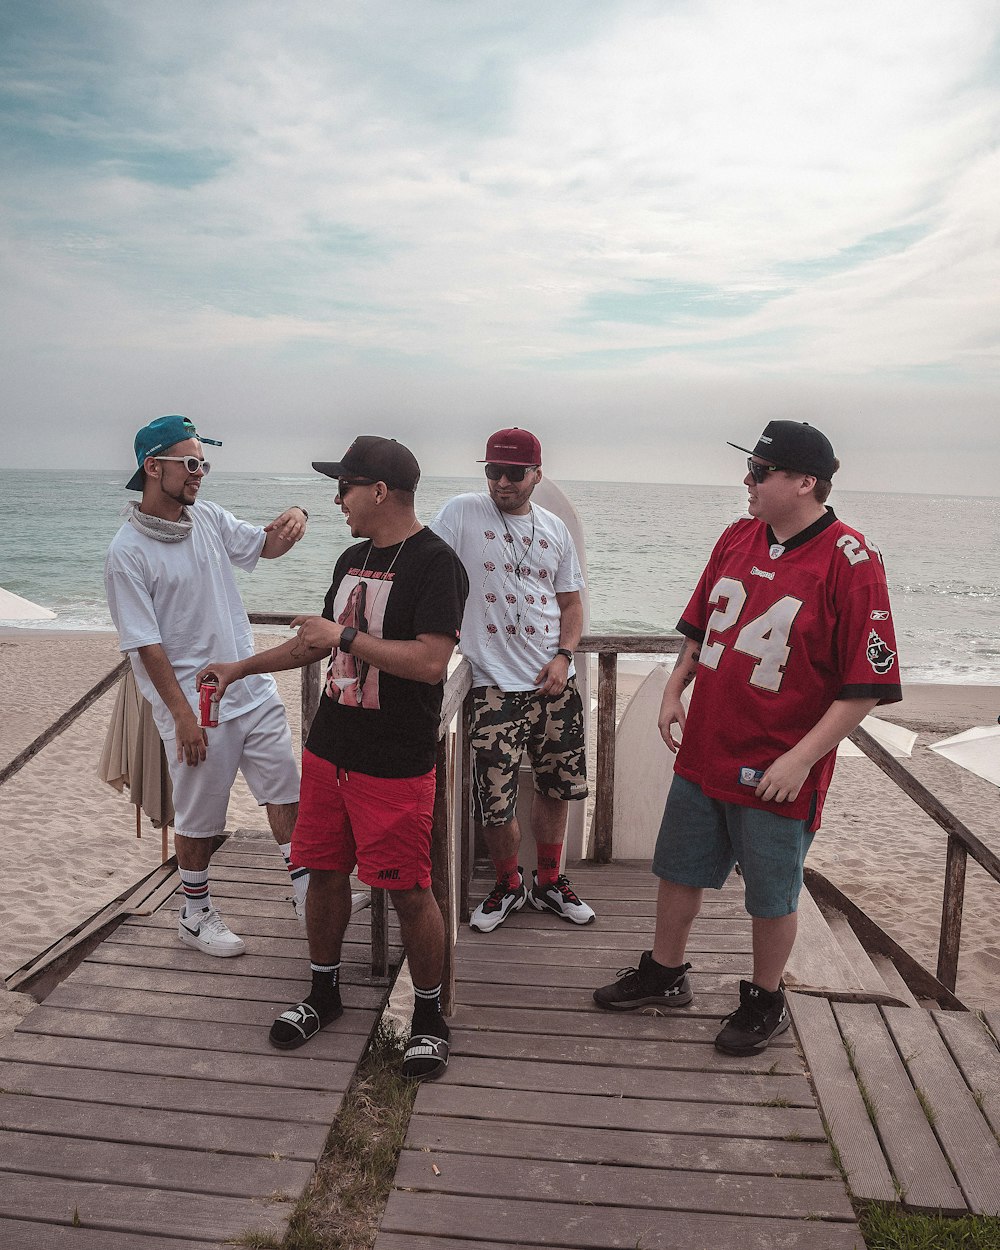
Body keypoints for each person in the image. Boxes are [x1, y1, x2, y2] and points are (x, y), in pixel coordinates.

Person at [594, 421, 902, 1055]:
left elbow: (865, 687)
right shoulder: (738, 536)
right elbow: (700, 624)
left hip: (776, 765)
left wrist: (799, 759)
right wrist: (677, 687)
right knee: (677, 870)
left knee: (770, 892)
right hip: (706, 746)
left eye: (761, 471)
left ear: (805, 482)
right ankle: (665, 972)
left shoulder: (852, 562)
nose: (747, 481)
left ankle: (766, 999)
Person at [198, 436, 469, 1082]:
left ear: (380, 491)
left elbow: (431, 662)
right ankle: (325, 993)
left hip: (395, 763)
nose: (336, 498)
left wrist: (346, 635)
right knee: (320, 872)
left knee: (408, 890)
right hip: (330, 752)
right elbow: (312, 647)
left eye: (344, 486)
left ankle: (429, 1017)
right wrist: (239, 668)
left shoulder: (437, 564)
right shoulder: (352, 558)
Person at [104, 414, 310, 958]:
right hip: (197, 706)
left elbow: (263, 548)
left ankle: (307, 893)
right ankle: (194, 915)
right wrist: (182, 716)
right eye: (191, 463)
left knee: (287, 790)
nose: (201, 474)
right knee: (200, 818)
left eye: (204, 463)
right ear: (154, 467)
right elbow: (145, 647)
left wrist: (294, 516)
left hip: (252, 687)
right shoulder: (127, 552)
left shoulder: (209, 519)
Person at [431, 427, 594, 933]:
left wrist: (564, 657)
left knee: (557, 787)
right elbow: (426, 567)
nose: (501, 482)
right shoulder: (461, 513)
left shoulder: (553, 530)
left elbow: (570, 603)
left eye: (513, 473)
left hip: (552, 681)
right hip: (493, 684)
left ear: (536, 475)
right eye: (492, 471)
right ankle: (507, 884)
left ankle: (549, 883)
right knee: (494, 798)